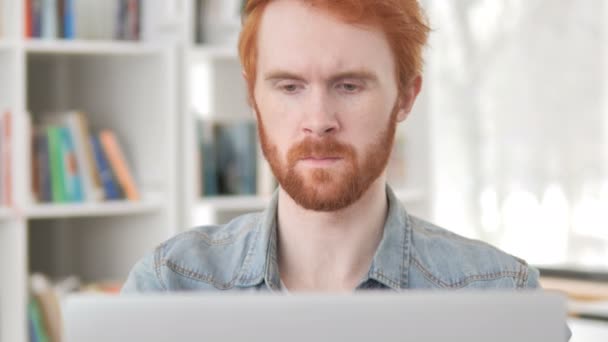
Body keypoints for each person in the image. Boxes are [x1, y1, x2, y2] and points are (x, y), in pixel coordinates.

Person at [122, 0, 539, 293]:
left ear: (406, 98)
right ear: (253, 98)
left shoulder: (501, 293)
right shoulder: (171, 284)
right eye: (289, 86)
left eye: (349, 86)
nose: (319, 121)